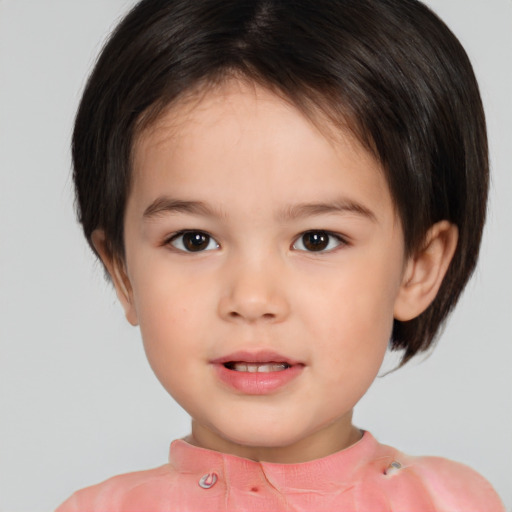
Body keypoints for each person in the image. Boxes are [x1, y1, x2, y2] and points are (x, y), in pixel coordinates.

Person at [56, 0, 505, 510]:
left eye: (317, 239)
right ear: (123, 273)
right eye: (194, 239)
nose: (251, 298)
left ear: (418, 268)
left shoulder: (453, 503)